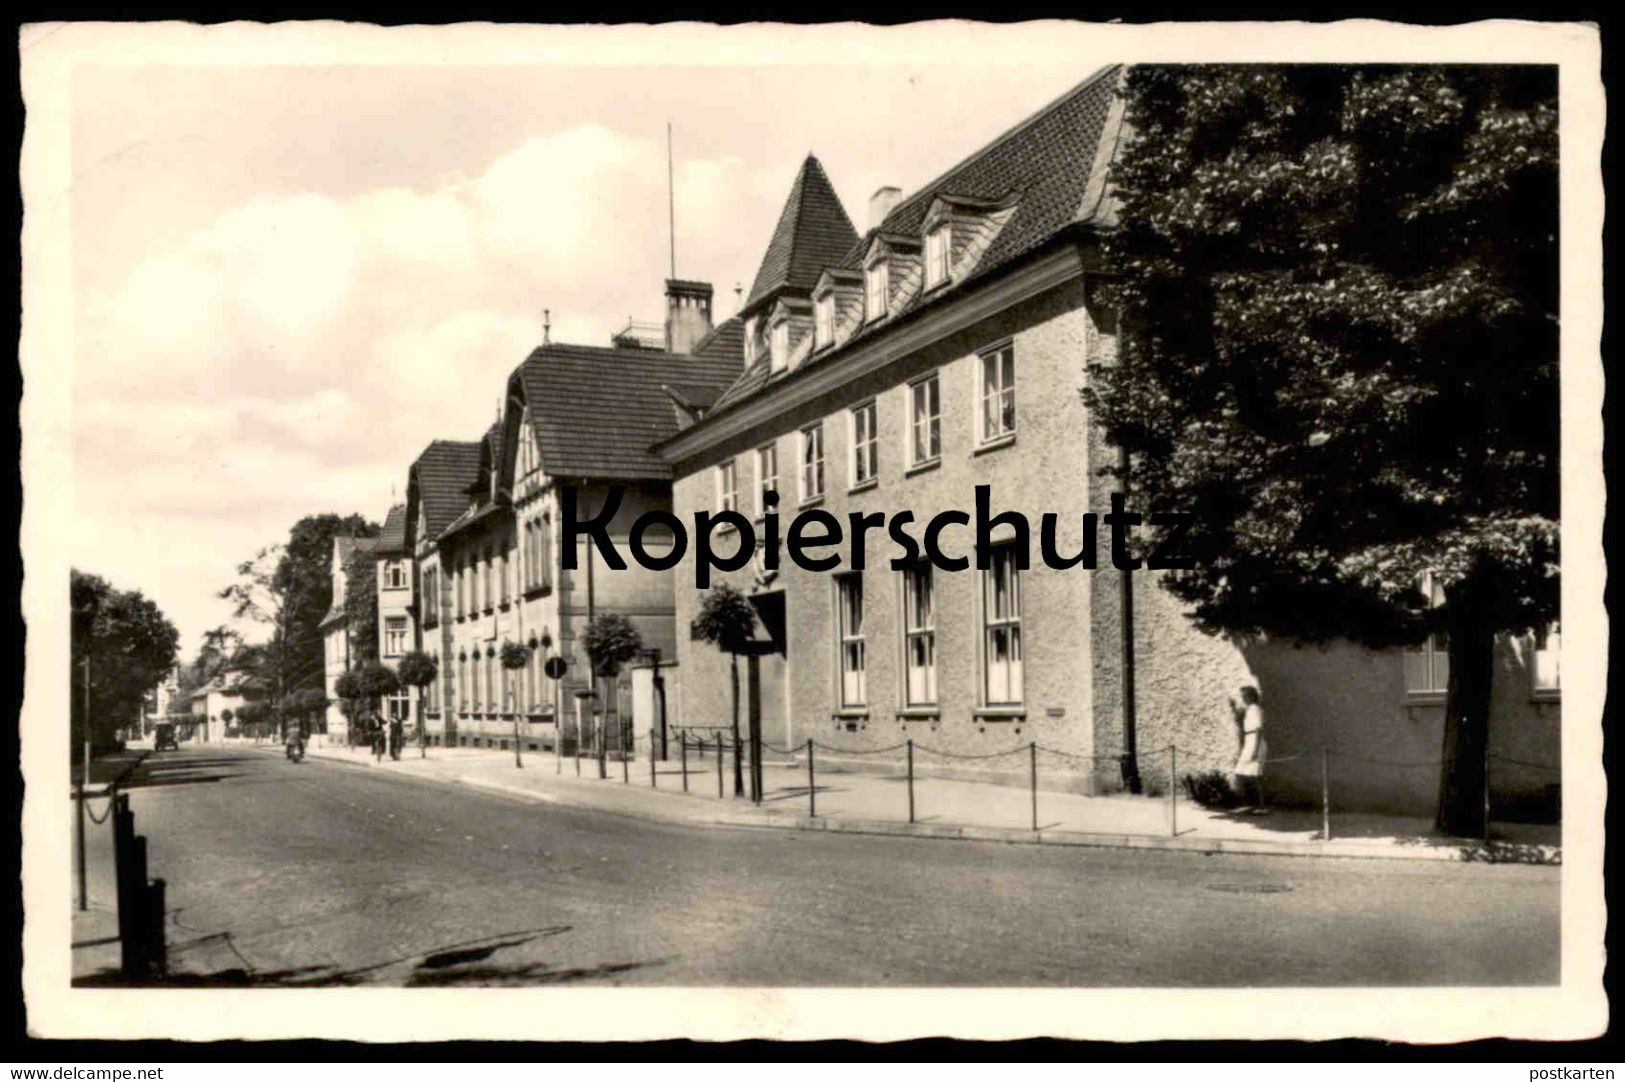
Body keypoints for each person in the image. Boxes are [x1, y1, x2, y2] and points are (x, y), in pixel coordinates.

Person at [1229, 684, 1268, 812]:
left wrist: (1255, 750)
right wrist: (1233, 707)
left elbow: (1258, 730)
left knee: (1256, 776)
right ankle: (1246, 804)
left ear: (1251, 696)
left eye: (1244, 696)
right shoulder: (1250, 709)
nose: (1243, 698)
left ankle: (1262, 806)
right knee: (1240, 772)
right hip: (1249, 741)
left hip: (1255, 742)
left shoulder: (1255, 709)